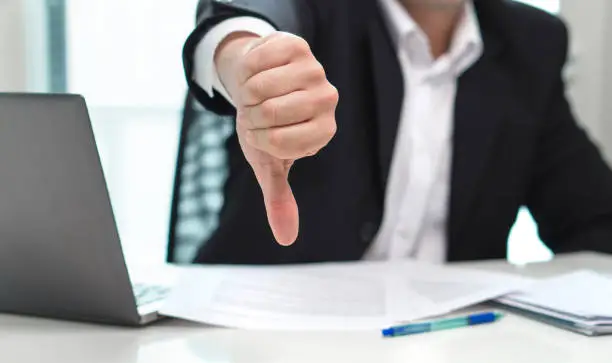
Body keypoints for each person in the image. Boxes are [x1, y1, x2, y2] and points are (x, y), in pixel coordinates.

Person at [182, 0, 612, 265]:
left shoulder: (530, 42)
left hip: (449, 354)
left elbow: (592, 220)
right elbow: (241, 19)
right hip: (270, 339)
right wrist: (247, 62)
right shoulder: (324, 9)